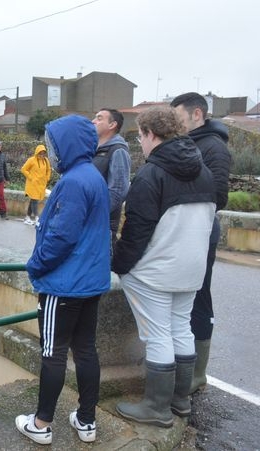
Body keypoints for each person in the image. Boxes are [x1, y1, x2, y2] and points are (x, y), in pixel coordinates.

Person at [112, 106, 215, 427]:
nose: (140, 144)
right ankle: (180, 400)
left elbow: (136, 232)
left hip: (155, 272)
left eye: (140, 137)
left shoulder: (151, 174)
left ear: (151, 134)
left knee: (158, 335)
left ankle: (156, 408)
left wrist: (120, 266)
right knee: (180, 328)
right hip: (192, 269)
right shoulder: (205, 172)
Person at [16, 115, 111, 445]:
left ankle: (41, 424)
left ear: (66, 145)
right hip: (89, 281)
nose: (52, 152)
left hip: (65, 284)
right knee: (85, 350)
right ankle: (87, 421)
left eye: (54, 144)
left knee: (52, 352)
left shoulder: (72, 182)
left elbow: (61, 237)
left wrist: (36, 266)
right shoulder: (92, 176)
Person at [170, 92, 232, 395]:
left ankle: (196, 374)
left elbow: (219, 194)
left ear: (197, 114)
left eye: (178, 116)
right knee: (185, 296)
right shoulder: (192, 143)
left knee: (198, 296)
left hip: (201, 230)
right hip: (186, 229)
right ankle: (182, 367)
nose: (175, 123)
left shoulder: (213, 146)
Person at [91, 108, 131, 252]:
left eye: (99, 118)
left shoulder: (117, 150)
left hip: (102, 227)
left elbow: (118, 191)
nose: (93, 121)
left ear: (112, 125)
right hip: (90, 225)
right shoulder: (94, 150)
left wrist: (93, 213)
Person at [20, 144, 52, 225]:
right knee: (34, 200)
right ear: (37, 152)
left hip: (41, 185)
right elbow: (23, 169)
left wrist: (47, 178)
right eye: (40, 153)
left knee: (33, 200)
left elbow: (48, 170)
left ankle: (27, 217)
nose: (42, 155)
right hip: (32, 184)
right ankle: (37, 218)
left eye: (43, 153)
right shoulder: (31, 160)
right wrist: (31, 178)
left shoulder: (46, 161)